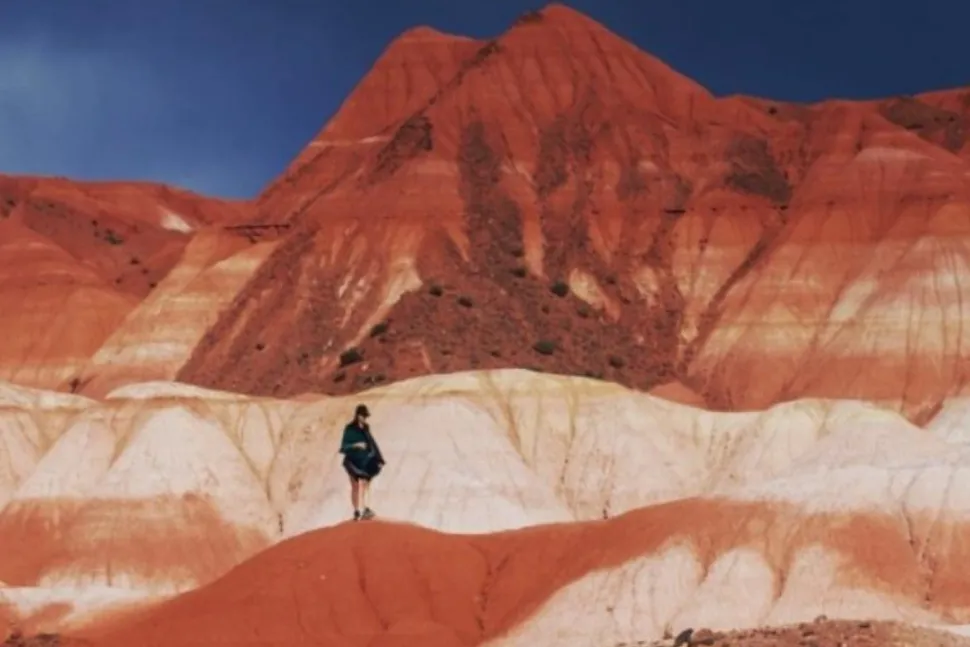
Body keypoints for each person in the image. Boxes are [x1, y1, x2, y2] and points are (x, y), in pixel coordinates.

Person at [338, 403, 385, 521]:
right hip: (352, 461)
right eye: (363, 416)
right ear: (358, 416)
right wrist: (356, 445)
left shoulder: (366, 428)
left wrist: (379, 458)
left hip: (363, 462)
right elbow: (343, 447)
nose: (365, 418)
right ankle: (357, 510)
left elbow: (372, 443)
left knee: (364, 484)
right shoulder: (350, 429)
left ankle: (363, 508)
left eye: (366, 416)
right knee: (355, 486)